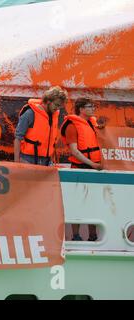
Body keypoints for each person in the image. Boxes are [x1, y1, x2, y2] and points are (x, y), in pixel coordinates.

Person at [60, 98, 105, 241]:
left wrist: (104, 129)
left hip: (94, 168)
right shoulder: (72, 126)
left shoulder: (93, 123)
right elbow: (74, 151)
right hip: (80, 169)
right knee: (78, 202)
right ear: (81, 109)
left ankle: (93, 235)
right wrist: (93, 164)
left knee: (94, 203)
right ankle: (76, 236)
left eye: (93, 106)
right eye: (89, 106)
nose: (93, 109)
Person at [14, 86, 68, 165]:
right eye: (56, 105)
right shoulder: (30, 113)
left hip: (47, 161)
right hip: (28, 160)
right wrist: (16, 162)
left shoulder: (54, 114)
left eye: (60, 106)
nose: (58, 108)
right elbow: (18, 138)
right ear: (48, 101)